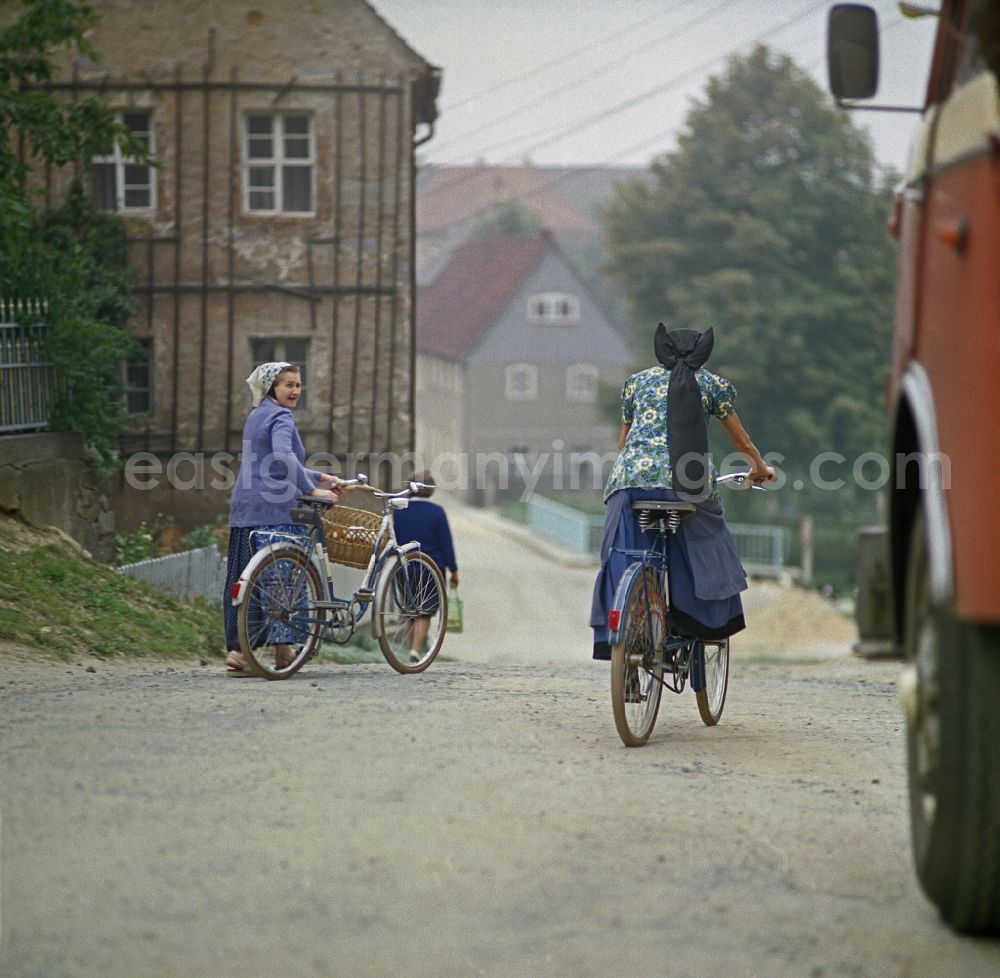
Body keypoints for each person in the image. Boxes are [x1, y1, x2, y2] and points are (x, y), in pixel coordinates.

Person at [590, 324, 775, 660]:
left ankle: (628, 639)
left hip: (629, 482)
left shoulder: (636, 383)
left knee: (625, 552)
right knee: (709, 537)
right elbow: (741, 442)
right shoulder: (711, 384)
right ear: (702, 352)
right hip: (687, 483)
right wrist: (760, 469)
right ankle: (698, 621)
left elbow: (623, 443)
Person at [223, 362, 341, 677]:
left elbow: (268, 462)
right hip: (273, 507)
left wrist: (321, 476)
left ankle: (246, 651)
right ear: (272, 387)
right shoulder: (281, 417)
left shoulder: (256, 415)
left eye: (298, 384)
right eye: (287, 384)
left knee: (249, 578)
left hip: (245, 508)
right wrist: (313, 490)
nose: (295, 391)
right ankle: (269, 651)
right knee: (282, 580)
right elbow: (284, 457)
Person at [391, 473, 459, 662]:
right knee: (425, 610)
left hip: (404, 567)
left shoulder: (399, 511)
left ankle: (410, 644)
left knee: (410, 608)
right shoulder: (436, 512)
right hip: (431, 568)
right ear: (431, 491)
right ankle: (415, 650)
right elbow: (446, 544)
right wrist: (453, 570)